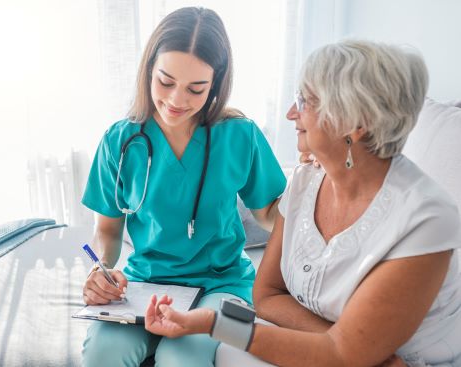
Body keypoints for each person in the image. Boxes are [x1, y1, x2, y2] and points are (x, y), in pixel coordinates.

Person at [144, 40, 461, 367]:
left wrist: (215, 323)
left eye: (305, 101)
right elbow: (266, 296)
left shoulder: (426, 220)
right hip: (353, 354)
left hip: (409, 362)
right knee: (229, 354)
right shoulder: (305, 182)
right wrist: (350, 344)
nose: (291, 113)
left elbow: (341, 355)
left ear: (356, 121)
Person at [81, 6, 287, 367]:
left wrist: (319, 190)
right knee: (103, 353)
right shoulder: (120, 141)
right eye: (165, 81)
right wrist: (100, 269)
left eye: (196, 89)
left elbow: (272, 214)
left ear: (217, 85)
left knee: (182, 358)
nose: (177, 100)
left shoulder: (240, 135)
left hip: (223, 286)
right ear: (148, 71)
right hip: (144, 283)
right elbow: (108, 231)